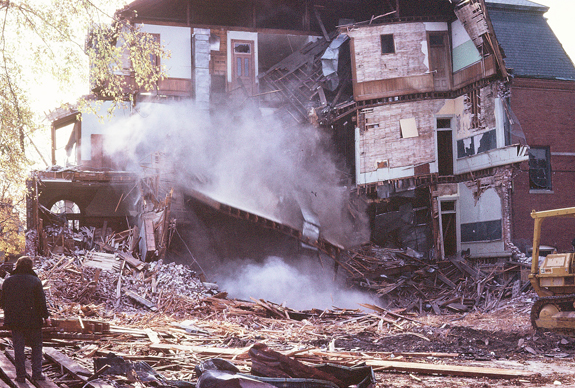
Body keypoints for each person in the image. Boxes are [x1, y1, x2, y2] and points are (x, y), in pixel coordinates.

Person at [0, 256, 51, 382]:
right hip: (33, 321)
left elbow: (2, 302)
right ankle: (37, 374)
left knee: (18, 348)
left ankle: (21, 376)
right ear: (30, 266)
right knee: (37, 347)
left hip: (15, 321)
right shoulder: (35, 281)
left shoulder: (8, 281)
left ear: (17, 265)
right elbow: (41, 302)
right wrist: (46, 317)